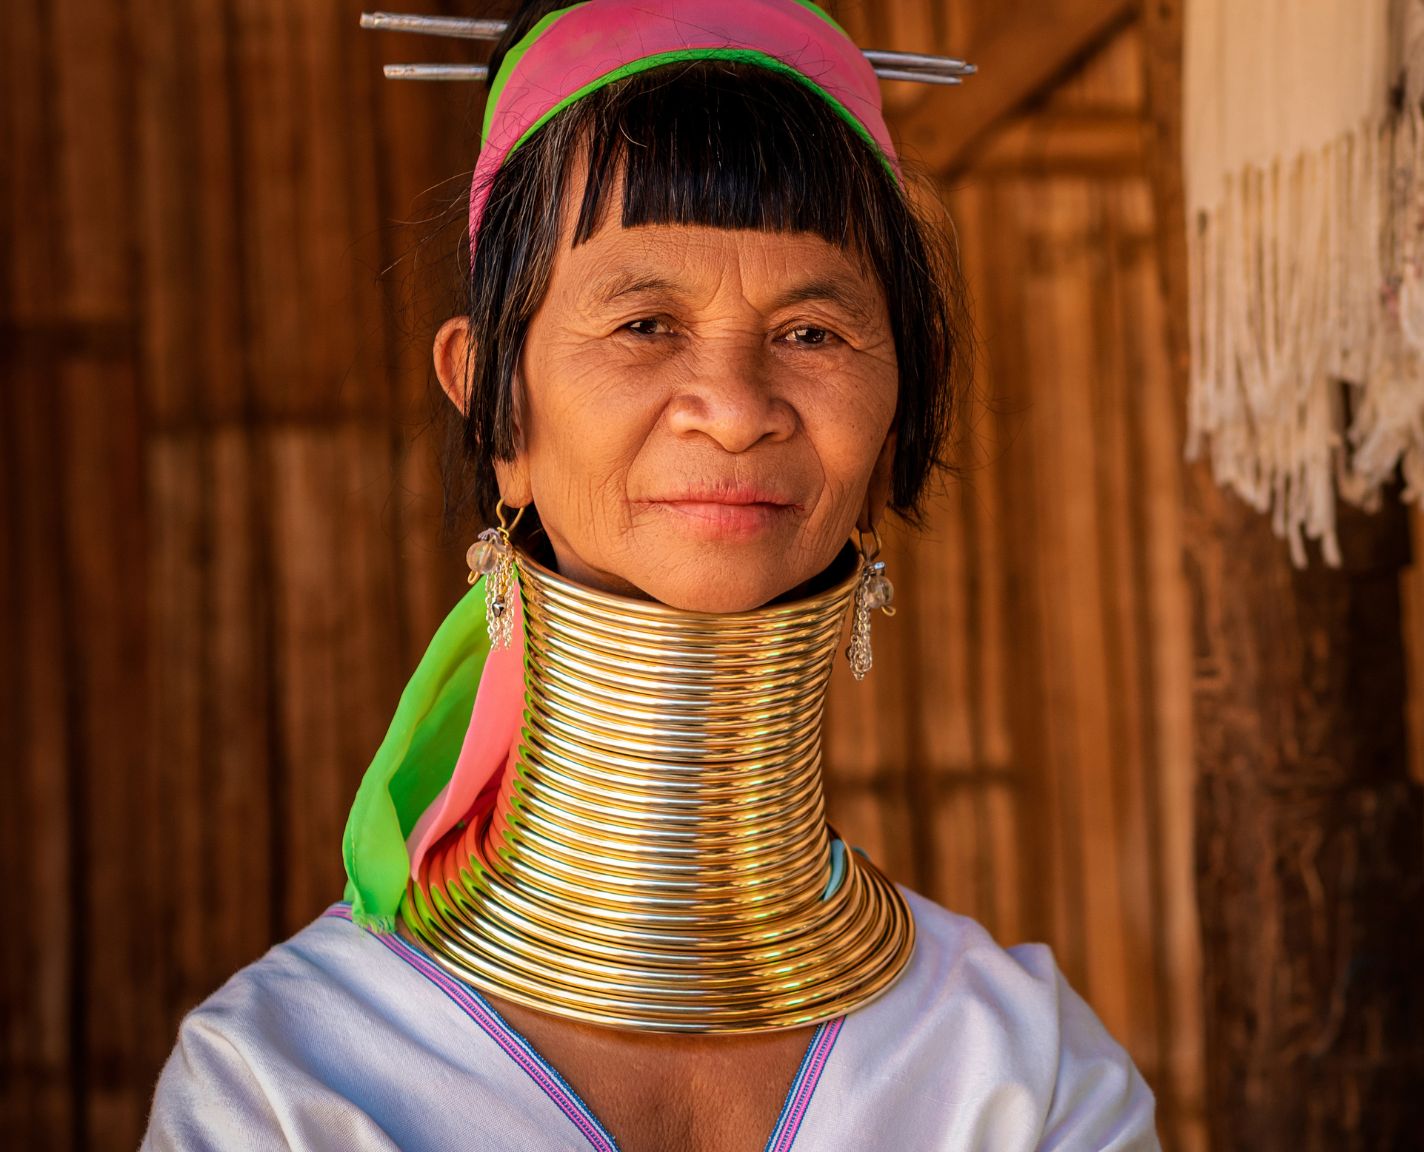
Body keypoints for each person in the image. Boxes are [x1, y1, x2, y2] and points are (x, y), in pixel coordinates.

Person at [142, 2, 1159, 1148]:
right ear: (493, 404)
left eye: (811, 334)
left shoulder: (1015, 1068)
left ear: (898, 420)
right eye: (643, 323)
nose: (732, 409)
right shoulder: (290, 1080)